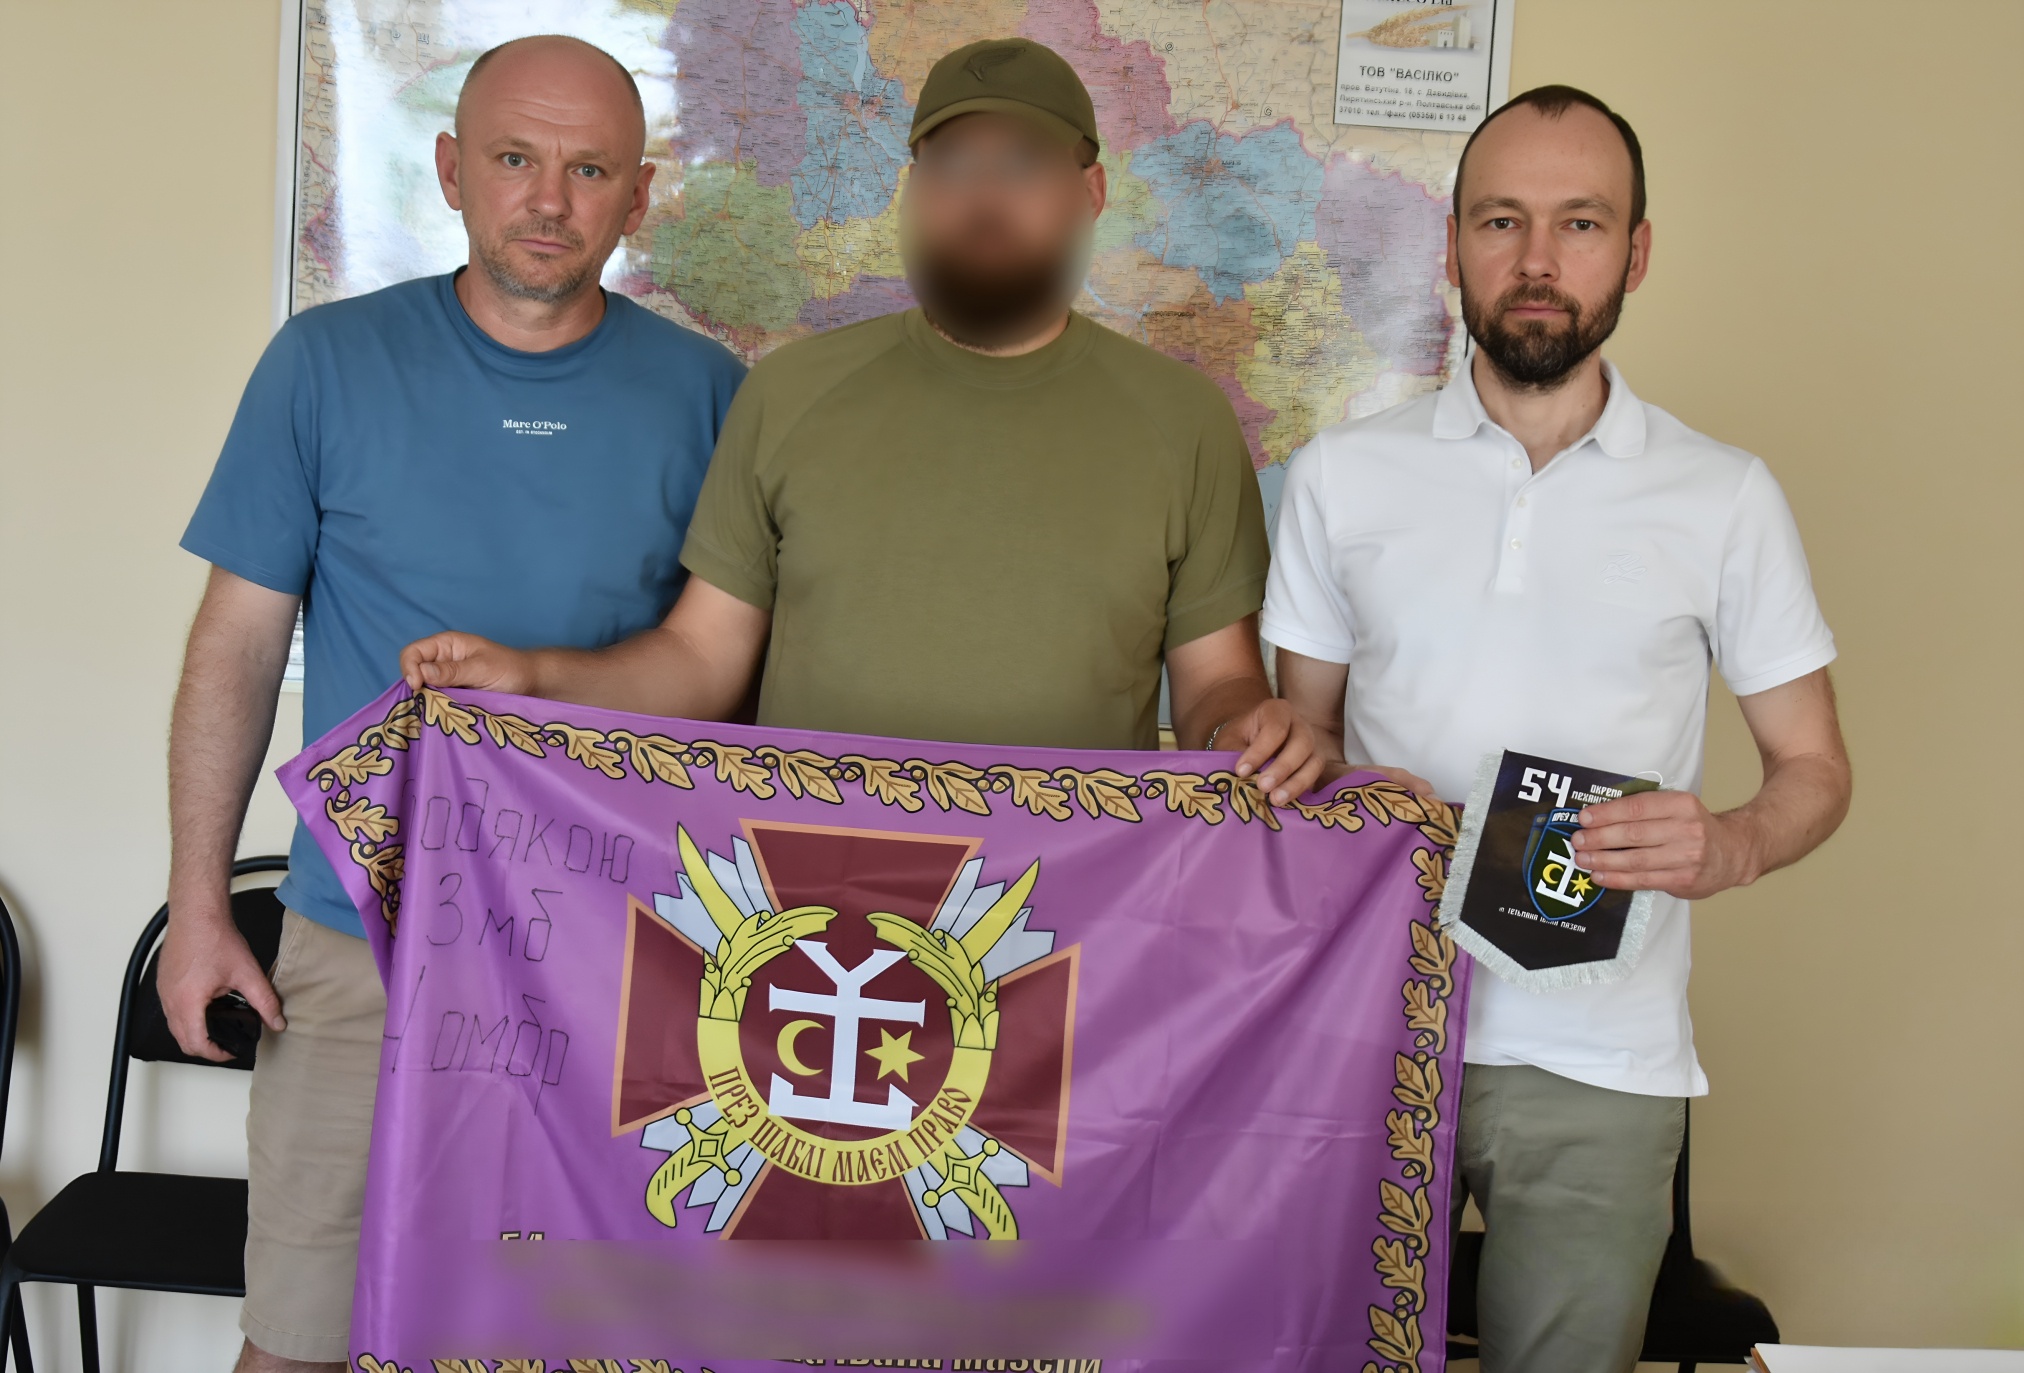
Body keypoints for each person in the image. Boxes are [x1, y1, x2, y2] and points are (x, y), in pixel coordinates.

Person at [162, 36, 744, 1371]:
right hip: (359, 943)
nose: (548, 199)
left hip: (616, 965)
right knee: (298, 1340)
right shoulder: (323, 363)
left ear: (639, 194)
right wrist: (199, 908)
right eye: (515, 158)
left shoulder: (714, 397)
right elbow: (235, 647)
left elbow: (726, 682)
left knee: (573, 1344)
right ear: (449, 169)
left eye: (589, 169)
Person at [1261, 87, 1852, 1373]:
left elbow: (1812, 768)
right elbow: (1300, 754)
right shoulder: (1339, 477)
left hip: (1602, 1053)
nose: (1536, 259)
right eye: (1500, 220)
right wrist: (1288, 761)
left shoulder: (1723, 496)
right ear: (1451, 246)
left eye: (1578, 223)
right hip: (1368, 1029)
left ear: (1634, 252)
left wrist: (1731, 843)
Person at [400, 38, 1320, 797]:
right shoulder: (790, 392)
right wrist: (535, 679)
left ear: (1091, 193)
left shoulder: (1183, 422)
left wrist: (1251, 729)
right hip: (806, 904)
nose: (983, 198)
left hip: (1063, 911)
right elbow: (699, 659)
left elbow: (1216, 684)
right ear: (913, 190)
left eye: (1022, 164)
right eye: (951, 165)